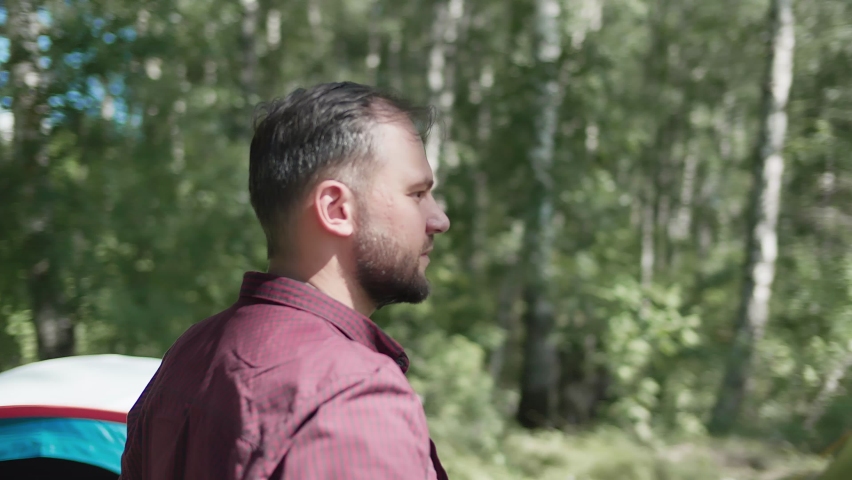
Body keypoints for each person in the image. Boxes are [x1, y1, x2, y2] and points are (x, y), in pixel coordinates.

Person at [119, 82, 451, 479]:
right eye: (417, 194)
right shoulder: (353, 394)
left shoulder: (188, 357)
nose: (439, 220)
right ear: (336, 209)